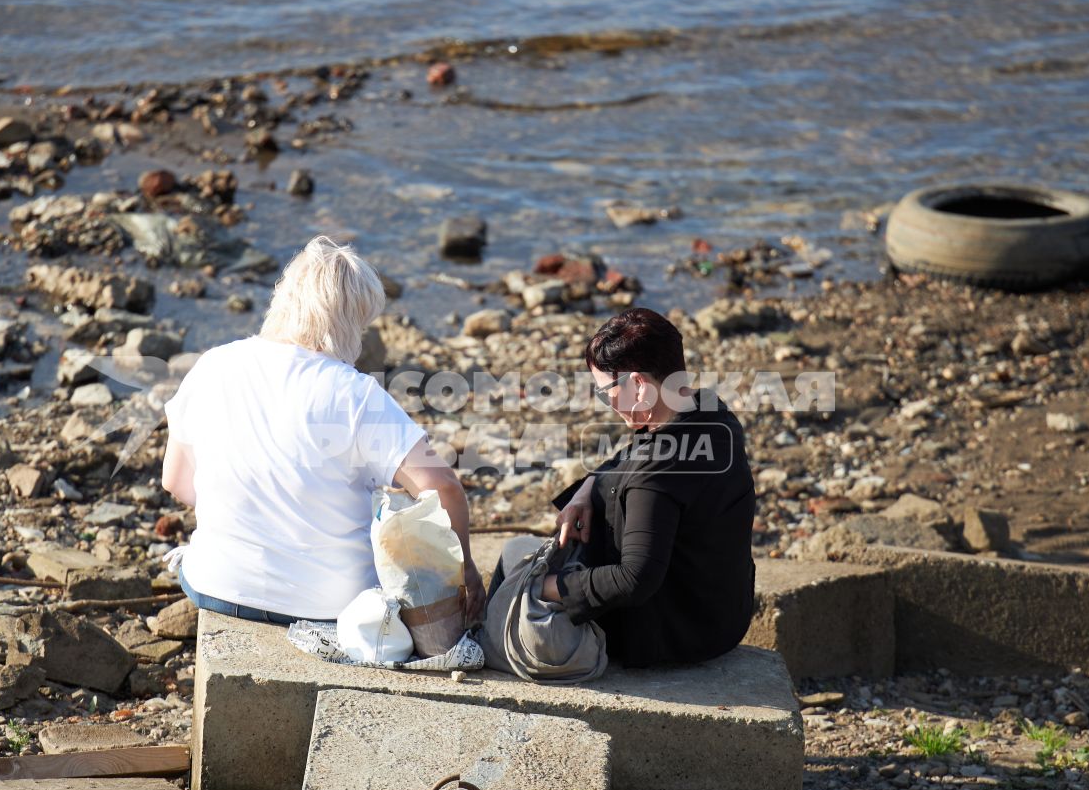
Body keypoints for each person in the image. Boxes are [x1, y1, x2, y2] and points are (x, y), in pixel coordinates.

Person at [160, 235, 484, 625]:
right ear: (351, 322)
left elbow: (176, 481)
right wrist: (463, 569)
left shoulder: (213, 365)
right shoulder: (357, 394)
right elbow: (443, 488)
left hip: (215, 586)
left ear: (283, 299)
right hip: (331, 608)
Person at [541, 307, 755, 666]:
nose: (607, 403)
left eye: (606, 391)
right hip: (721, 617)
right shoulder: (711, 414)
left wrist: (547, 587)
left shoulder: (656, 474)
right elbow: (635, 451)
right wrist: (587, 489)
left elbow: (633, 579)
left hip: (665, 635)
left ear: (638, 384)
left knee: (515, 564)